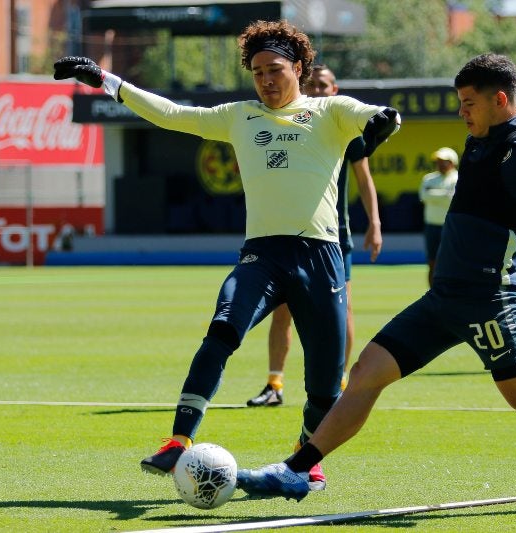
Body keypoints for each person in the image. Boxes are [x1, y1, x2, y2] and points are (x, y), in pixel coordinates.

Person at [235, 53, 516, 510]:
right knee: (366, 375)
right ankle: (297, 472)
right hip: (443, 298)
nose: (461, 111)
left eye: (468, 102)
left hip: (490, 301)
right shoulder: (480, 139)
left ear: (501, 99)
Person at [53, 19, 401, 492]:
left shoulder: (330, 110)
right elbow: (171, 113)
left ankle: (304, 467)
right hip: (262, 255)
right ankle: (179, 440)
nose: (266, 79)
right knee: (221, 332)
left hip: (321, 259)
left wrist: (384, 120)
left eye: (274, 69)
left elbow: (376, 114)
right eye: (257, 71)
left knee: (324, 380)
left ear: (298, 67)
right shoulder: (240, 116)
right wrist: (107, 81)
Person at [247, 64, 383, 407]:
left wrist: (375, 223)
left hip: (334, 237)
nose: (318, 90)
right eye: (313, 84)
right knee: (282, 311)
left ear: (335, 89)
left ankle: (337, 383)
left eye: (324, 84)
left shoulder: (343, 125)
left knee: (342, 311)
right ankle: (274, 384)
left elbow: (364, 179)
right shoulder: (289, 121)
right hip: (287, 235)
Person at [419, 147, 459, 286]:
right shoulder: (429, 178)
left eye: (444, 161)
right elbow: (424, 196)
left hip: (451, 227)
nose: (440, 164)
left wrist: (434, 194)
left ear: (452, 162)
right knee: (432, 263)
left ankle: (451, 292)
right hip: (431, 226)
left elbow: (451, 198)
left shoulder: (458, 178)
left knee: (451, 262)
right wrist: (444, 193)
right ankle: (433, 293)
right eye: (438, 161)